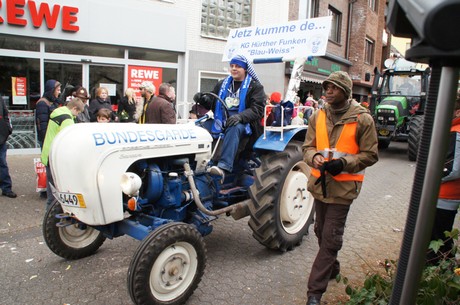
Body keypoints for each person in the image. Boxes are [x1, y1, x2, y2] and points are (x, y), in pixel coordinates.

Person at [302, 71, 378, 305]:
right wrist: (313, 157)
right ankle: (332, 267)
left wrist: (345, 163)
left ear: (345, 91)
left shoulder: (363, 119)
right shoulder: (317, 116)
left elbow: (371, 154)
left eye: (334, 87)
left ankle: (314, 292)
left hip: (343, 191)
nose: (328, 91)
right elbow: (308, 146)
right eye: (327, 87)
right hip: (320, 186)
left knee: (330, 238)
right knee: (320, 231)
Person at [207, 54, 265, 178]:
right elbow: (213, 102)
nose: (234, 69)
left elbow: (257, 109)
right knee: (202, 126)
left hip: (246, 123)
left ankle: (223, 166)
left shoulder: (254, 87)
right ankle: (201, 162)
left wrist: (240, 117)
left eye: (238, 66)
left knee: (234, 127)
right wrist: (204, 99)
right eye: (232, 66)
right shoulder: (222, 84)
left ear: (245, 69)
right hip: (221, 120)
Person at [426, 92, 460, 265]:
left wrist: (430, 180)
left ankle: (438, 271)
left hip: (444, 196)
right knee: (440, 237)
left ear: (457, 111)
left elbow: (452, 169)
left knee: (438, 240)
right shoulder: (453, 129)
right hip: (445, 196)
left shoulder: (456, 131)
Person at [41, 98, 85, 207]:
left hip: (48, 153)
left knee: (51, 188)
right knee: (57, 191)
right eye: (77, 112)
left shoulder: (58, 112)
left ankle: (50, 211)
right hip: (56, 157)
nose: (76, 115)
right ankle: (52, 217)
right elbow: (68, 140)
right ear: (74, 108)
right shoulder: (67, 119)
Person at [35, 79, 61, 148]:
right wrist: (46, 139)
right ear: (52, 90)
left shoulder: (54, 102)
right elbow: (42, 124)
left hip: (54, 136)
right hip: (47, 138)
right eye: (58, 90)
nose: (59, 92)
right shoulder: (42, 103)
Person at [0, 97, 16, 198]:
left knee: (2, 163)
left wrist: (7, 129)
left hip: (1, 136)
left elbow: (5, 114)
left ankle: (6, 188)